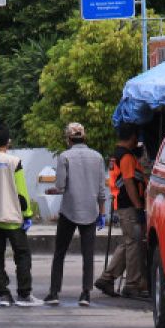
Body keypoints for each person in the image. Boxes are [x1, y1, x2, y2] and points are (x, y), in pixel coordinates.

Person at [44, 122, 108, 307]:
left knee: (60, 252)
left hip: (69, 211)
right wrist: (102, 213)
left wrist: (51, 191)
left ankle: (54, 292)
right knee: (88, 254)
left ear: (69, 139)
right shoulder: (97, 157)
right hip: (90, 211)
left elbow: (61, 187)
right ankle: (86, 293)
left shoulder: (65, 157)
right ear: (84, 137)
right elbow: (101, 190)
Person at [0, 124, 38, 307]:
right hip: (12, 218)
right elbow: (22, 191)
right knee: (22, 256)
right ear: (8, 141)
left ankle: (3, 294)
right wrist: (27, 214)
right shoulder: (14, 162)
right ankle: (24, 294)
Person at [95, 123, 148, 298]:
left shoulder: (116, 155)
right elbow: (128, 182)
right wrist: (139, 206)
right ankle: (132, 284)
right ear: (133, 137)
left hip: (122, 204)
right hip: (129, 205)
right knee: (133, 244)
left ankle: (107, 278)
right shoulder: (125, 156)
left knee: (129, 242)